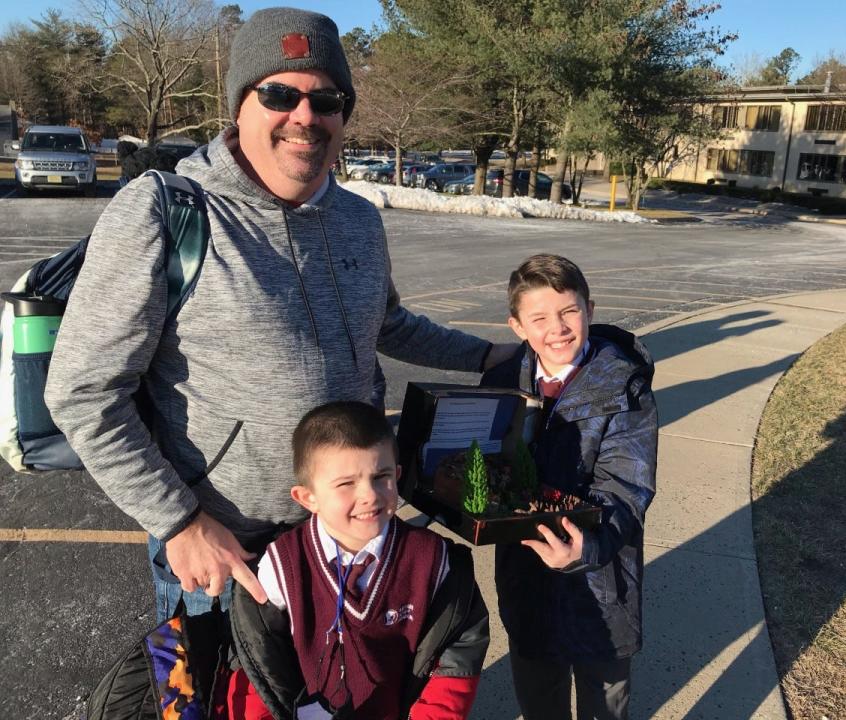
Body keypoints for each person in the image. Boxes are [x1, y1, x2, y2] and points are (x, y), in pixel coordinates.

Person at [44, 7, 514, 620]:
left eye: (327, 100)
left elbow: (388, 323)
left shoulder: (358, 219)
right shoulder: (166, 213)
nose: (305, 117)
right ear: (239, 106)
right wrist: (179, 522)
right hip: (224, 549)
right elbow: (83, 393)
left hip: (343, 533)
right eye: (279, 94)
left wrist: (488, 356)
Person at [225, 401, 489, 720]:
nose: (370, 495)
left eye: (381, 476)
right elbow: (256, 657)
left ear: (399, 475)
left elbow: (459, 649)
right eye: (346, 484)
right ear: (308, 497)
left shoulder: (434, 560)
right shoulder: (280, 566)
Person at [481, 254, 658, 720]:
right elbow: (485, 465)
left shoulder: (624, 386)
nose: (556, 328)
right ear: (517, 326)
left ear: (590, 309)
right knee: (540, 696)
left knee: (605, 702)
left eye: (568, 312)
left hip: (599, 578)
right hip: (525, 574)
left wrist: (588, 545)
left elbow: (626, 484)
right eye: (538, 318)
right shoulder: (501, 382)